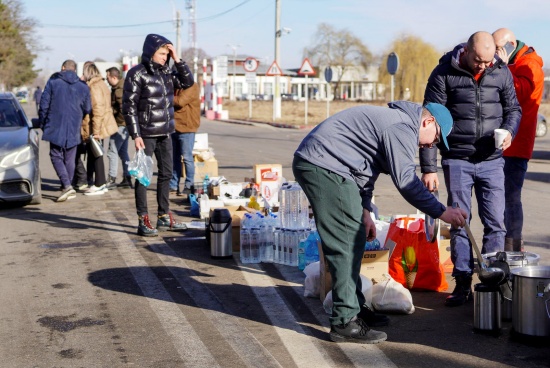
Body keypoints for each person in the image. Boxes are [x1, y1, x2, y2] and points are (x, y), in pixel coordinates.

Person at [293, 101, 467, 344]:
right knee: (345, 242)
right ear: (428, 122)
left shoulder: (396, 123)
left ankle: (353, 308)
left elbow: (366, 169)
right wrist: (441, 212)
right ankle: (344, 321)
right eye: (435, 138)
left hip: (333, 167)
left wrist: (364, 208)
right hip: (323, 166)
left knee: (354, 239)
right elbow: (406, 180)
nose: (430, 145)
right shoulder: (401, 127)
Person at [421, 31, 522, 307]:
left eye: (487, 62)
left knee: (496, 224)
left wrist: (510, 131)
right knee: (459, 222)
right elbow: (428, 119)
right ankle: (463, 281)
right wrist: (428, 168)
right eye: (478, 60)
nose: (483, 66)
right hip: (457, 159)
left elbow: (514, 109)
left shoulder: (500, 72)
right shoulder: (443, 73)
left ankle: (491, 282)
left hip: (491, 160)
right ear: (465, 51)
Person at [123, 33, 194, 236]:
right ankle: (143, 219)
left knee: (166, 174)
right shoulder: (137, 74)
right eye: (162, 53)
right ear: (151, 52)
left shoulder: (167, 73)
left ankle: (163, 216)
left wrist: (177, 58)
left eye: (167, 54)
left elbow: (188, 82)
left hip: (166, 132)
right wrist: (135, 134)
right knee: (143, 176)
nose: (165, 57)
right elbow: (129, 107)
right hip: (145, 133)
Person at [492, 28, 545, 252]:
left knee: (511, 198)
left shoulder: (530, 65)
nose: (494, 53)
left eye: (497, 48)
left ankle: (513, 248)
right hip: (506, 142)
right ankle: (504, 245)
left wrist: (502, 69)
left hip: (517, 144)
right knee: (500, 197)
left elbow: (518, 92)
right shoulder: (517, 63)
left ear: (510, 45)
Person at [39, 59, 92, 202]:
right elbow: (88, 108)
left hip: (55, 123)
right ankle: (66, 186)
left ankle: (67, 185)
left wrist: (44, 123)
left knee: (55, 154)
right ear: (74, 70)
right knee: (70, 157)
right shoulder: (83, 86)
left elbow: (44, 105)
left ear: (63, 68)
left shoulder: (53, 82)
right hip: (74, 125)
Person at [81, 63, 118, 196]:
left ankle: (100, 184)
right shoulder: (101, 84)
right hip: (102, 123)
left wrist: (95, 131)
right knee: (96, 153)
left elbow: (97, 109)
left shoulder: (94, 86)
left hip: (97, 125)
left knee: (97, 154)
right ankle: (99, 183)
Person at [169, 81, 200, 196]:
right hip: (175, 126)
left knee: (187, 157)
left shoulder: (191, 86)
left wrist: (166, 96)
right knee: (174, 158)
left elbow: (180, 101)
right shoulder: (176, 86)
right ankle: (173, 185)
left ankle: (189, 185)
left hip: (187, 127)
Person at [105, 66, 132, 189]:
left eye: (108, 78)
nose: (107, 80)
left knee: (112, 151)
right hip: (125, 125)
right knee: (123, 152)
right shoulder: (121, 87)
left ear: (114, 77)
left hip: (120, 125)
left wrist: (113, 116)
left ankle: (112, 178)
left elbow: (122, 109)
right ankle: (127, 177)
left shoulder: (119, 90)